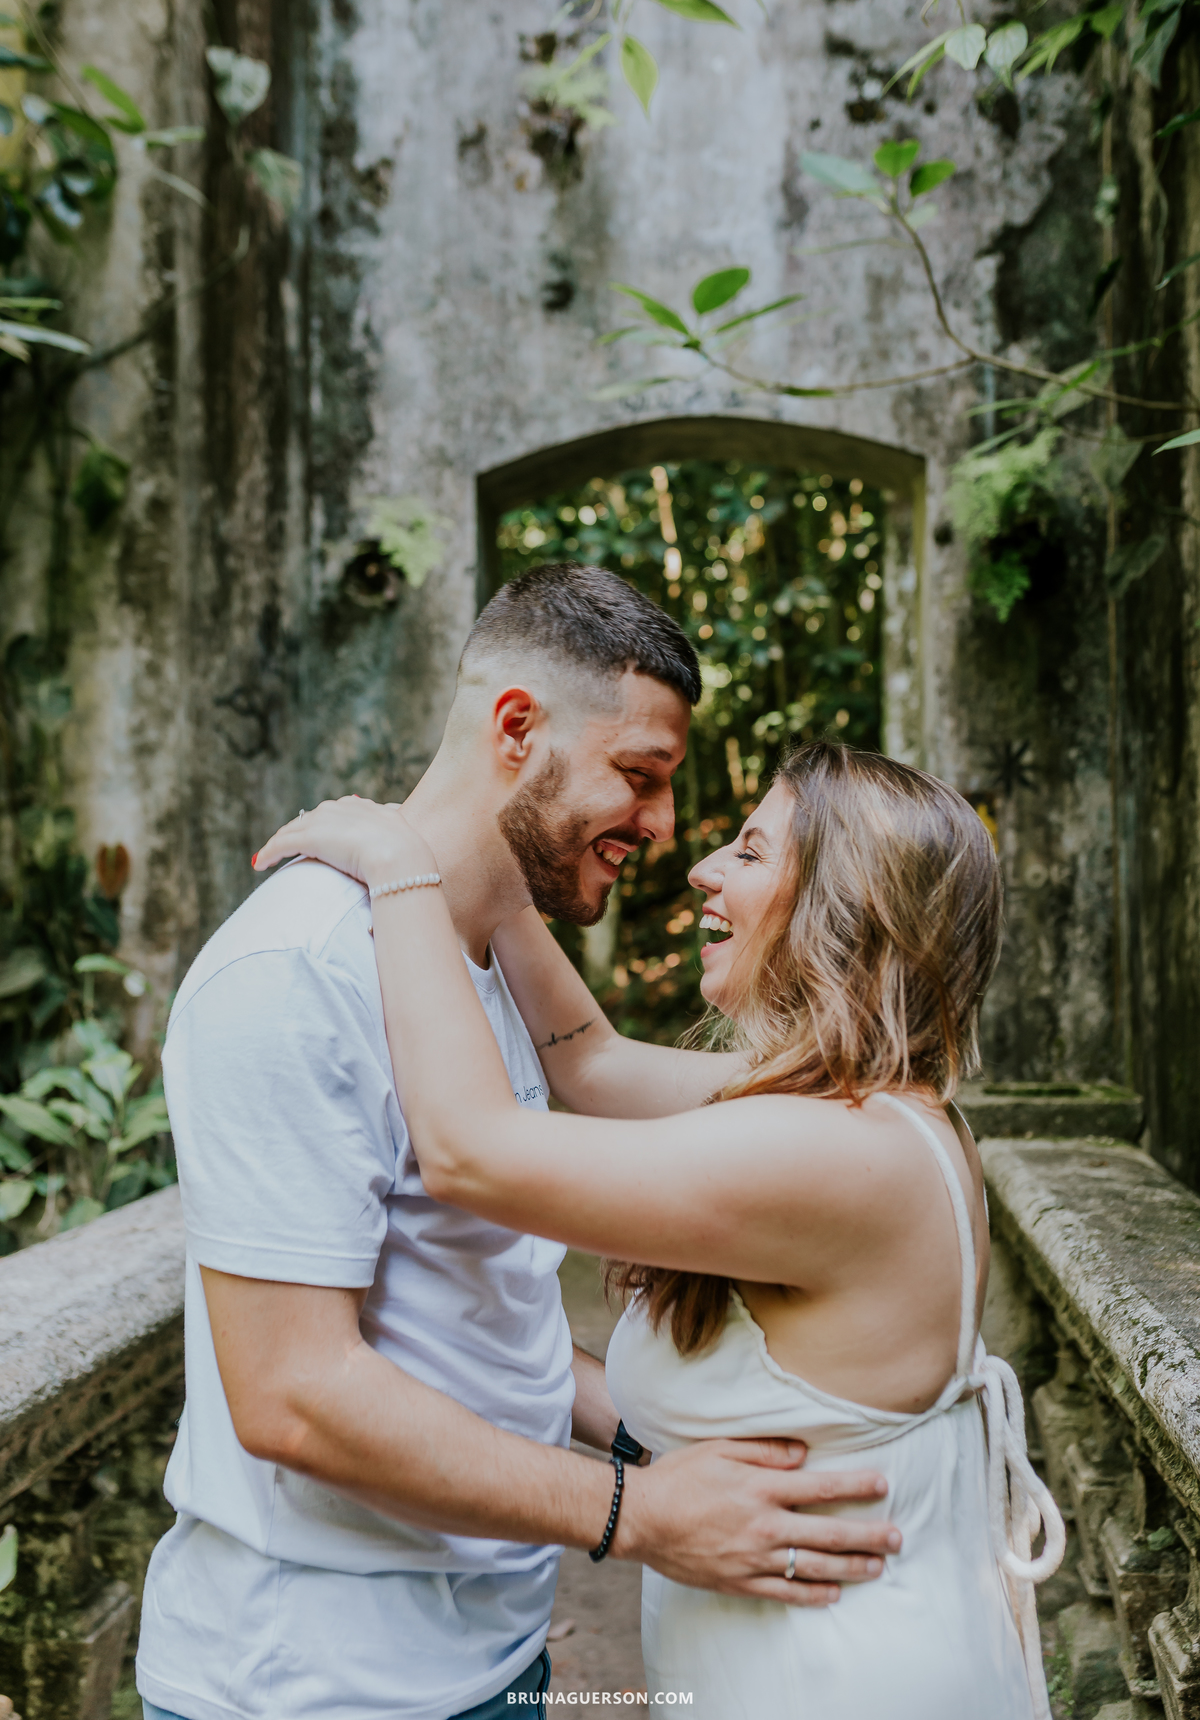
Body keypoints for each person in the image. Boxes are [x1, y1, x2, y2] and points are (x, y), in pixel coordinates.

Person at [136, 567, 901, 1720]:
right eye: (638, 777)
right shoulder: (292, 974)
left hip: (492, 1655)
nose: (661, 826)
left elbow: (480, 1303)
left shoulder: (485, 949)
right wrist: (636, 1513)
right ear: (515, 728)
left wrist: (675, 1434)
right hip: (316, 1683)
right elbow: (293, 1391)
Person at [254, 737, 1067, 1720]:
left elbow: (470, 1149)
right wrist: (486, 846)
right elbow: (589, 1066)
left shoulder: (841, 1155)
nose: (704, 867)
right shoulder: (863, 1108)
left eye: (753, 853)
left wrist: (404, 871)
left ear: (848, 910)